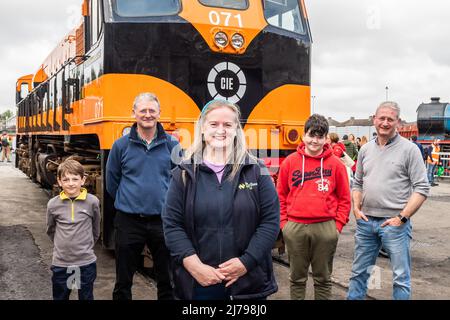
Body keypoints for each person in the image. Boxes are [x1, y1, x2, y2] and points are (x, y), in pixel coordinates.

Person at [162, 99, 280, 300]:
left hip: (248, 284)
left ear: (236, 130)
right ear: (202, 128)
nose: (221, 130)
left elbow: (270, 222)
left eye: (228, 125)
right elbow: (172, 225)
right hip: (199, 284)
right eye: (214, 124)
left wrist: (246, 263)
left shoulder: (256, 170)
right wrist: (195, 267)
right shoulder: (183, 173)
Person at [347, 102, 430, 300]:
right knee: (359, 273)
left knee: (401, 277)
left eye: (390, 119)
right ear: (374, 119)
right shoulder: (365, 149)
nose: (385, 123)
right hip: (366, 222)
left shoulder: (409, 150)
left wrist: (402, 217)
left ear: (398, 123)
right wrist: (356, 209)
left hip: (395, 225)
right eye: (381, 118)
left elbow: (422, 188)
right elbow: (357, 183)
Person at [106, 93, 180, 300]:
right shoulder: (120, 146)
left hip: (163, 222)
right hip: (129, 221)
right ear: (134, 113)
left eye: (151, 111)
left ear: (159, 113)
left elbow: (179, 181)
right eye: (143, 111)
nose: (147, 115)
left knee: (168, 280)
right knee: (123, 280)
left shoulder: (172, 146)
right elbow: (112, 182)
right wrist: (131, 200)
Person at [277, 114, 351, 300]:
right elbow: (279, 196)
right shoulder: (290, 162)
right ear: (304, 135)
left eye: (320, 136)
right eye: (311, 135)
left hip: (326, 227)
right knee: (297, 279)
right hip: (294, 227)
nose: (314, 141)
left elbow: (344, 198)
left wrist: (337, 227)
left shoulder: (336, 165)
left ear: (326, 138)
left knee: (323, 279)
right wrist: (284, 224)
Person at [46, 159, 101, 300]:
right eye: (66, 179)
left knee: (86, 296)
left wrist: (85, 247)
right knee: (61, 296)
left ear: (83, 180)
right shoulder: (53, 204)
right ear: (59, 181)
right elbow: (51, 230)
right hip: (62, 263)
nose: (71, 183)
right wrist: (64, 247)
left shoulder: (92, 202)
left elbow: (95, 229)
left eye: (75, 179)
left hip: (85, 263)